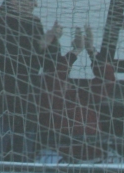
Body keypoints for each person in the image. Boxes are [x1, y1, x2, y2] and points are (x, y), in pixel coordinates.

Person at [0, 0, 63, 161]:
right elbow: (6, 57)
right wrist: (42, 43)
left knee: (23, 166)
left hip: (26, 109)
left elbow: (48, 64)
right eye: (31, 1)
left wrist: (53, 41)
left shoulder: (34, 23)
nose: (36, 5)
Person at [37, 26, 117, 163]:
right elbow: (56, 77)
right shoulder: (47, 90)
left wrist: (91, 51)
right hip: (59, 154)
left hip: (94, 153)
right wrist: (76, 51)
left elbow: (107, 79)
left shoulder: (80, 94)